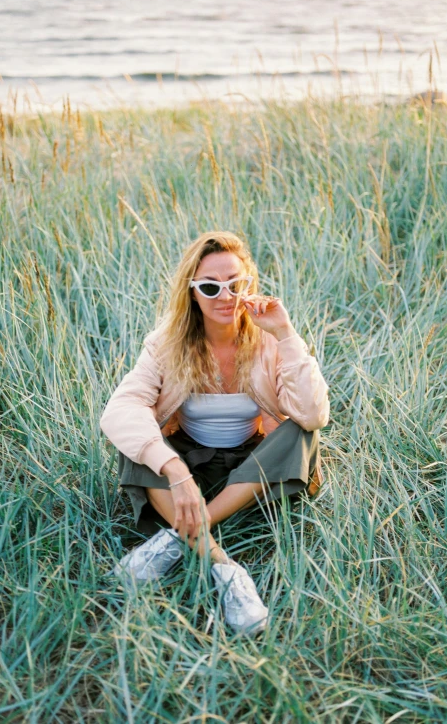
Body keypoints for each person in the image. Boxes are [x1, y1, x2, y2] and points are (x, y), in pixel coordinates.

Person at [100, 231, 330, 635]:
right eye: (210, 286)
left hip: (249, 467)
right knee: (137, 438)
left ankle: (180, 533)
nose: (224, 296)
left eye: (235, 284)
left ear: (249, 286)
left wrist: (287, 334)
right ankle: (225, 569)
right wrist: (175, 470)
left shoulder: (268, 341)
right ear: (192, 292)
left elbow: (312, 414)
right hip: (191, 460)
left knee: (302, 435)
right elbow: (119, 409)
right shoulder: (166, 343)